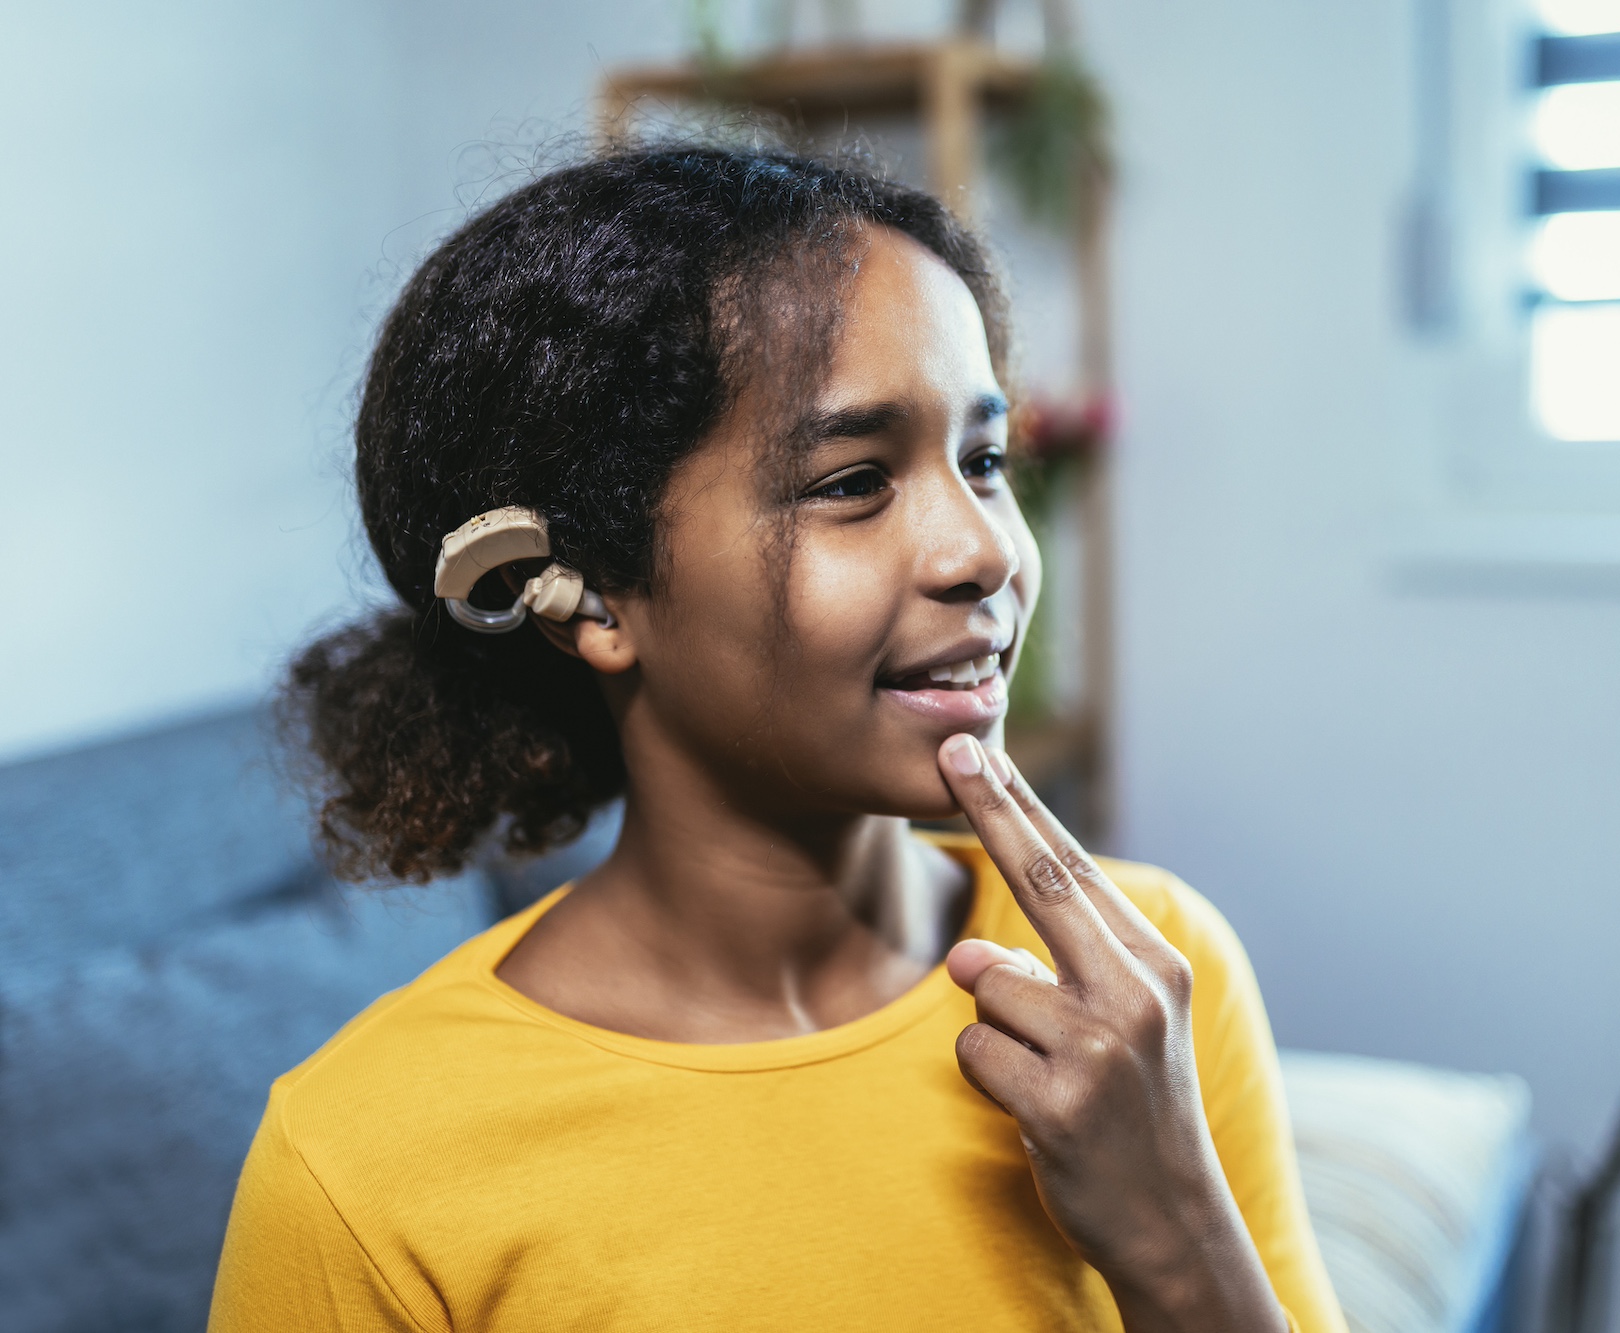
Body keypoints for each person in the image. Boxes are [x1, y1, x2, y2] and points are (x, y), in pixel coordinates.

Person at [209, 146, 1342, 1333]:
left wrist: (1174, 1239)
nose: (985, 551)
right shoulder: (361, 1165)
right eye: (853, 480)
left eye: (985, 460)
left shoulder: (1146, 979)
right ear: (589, 592)